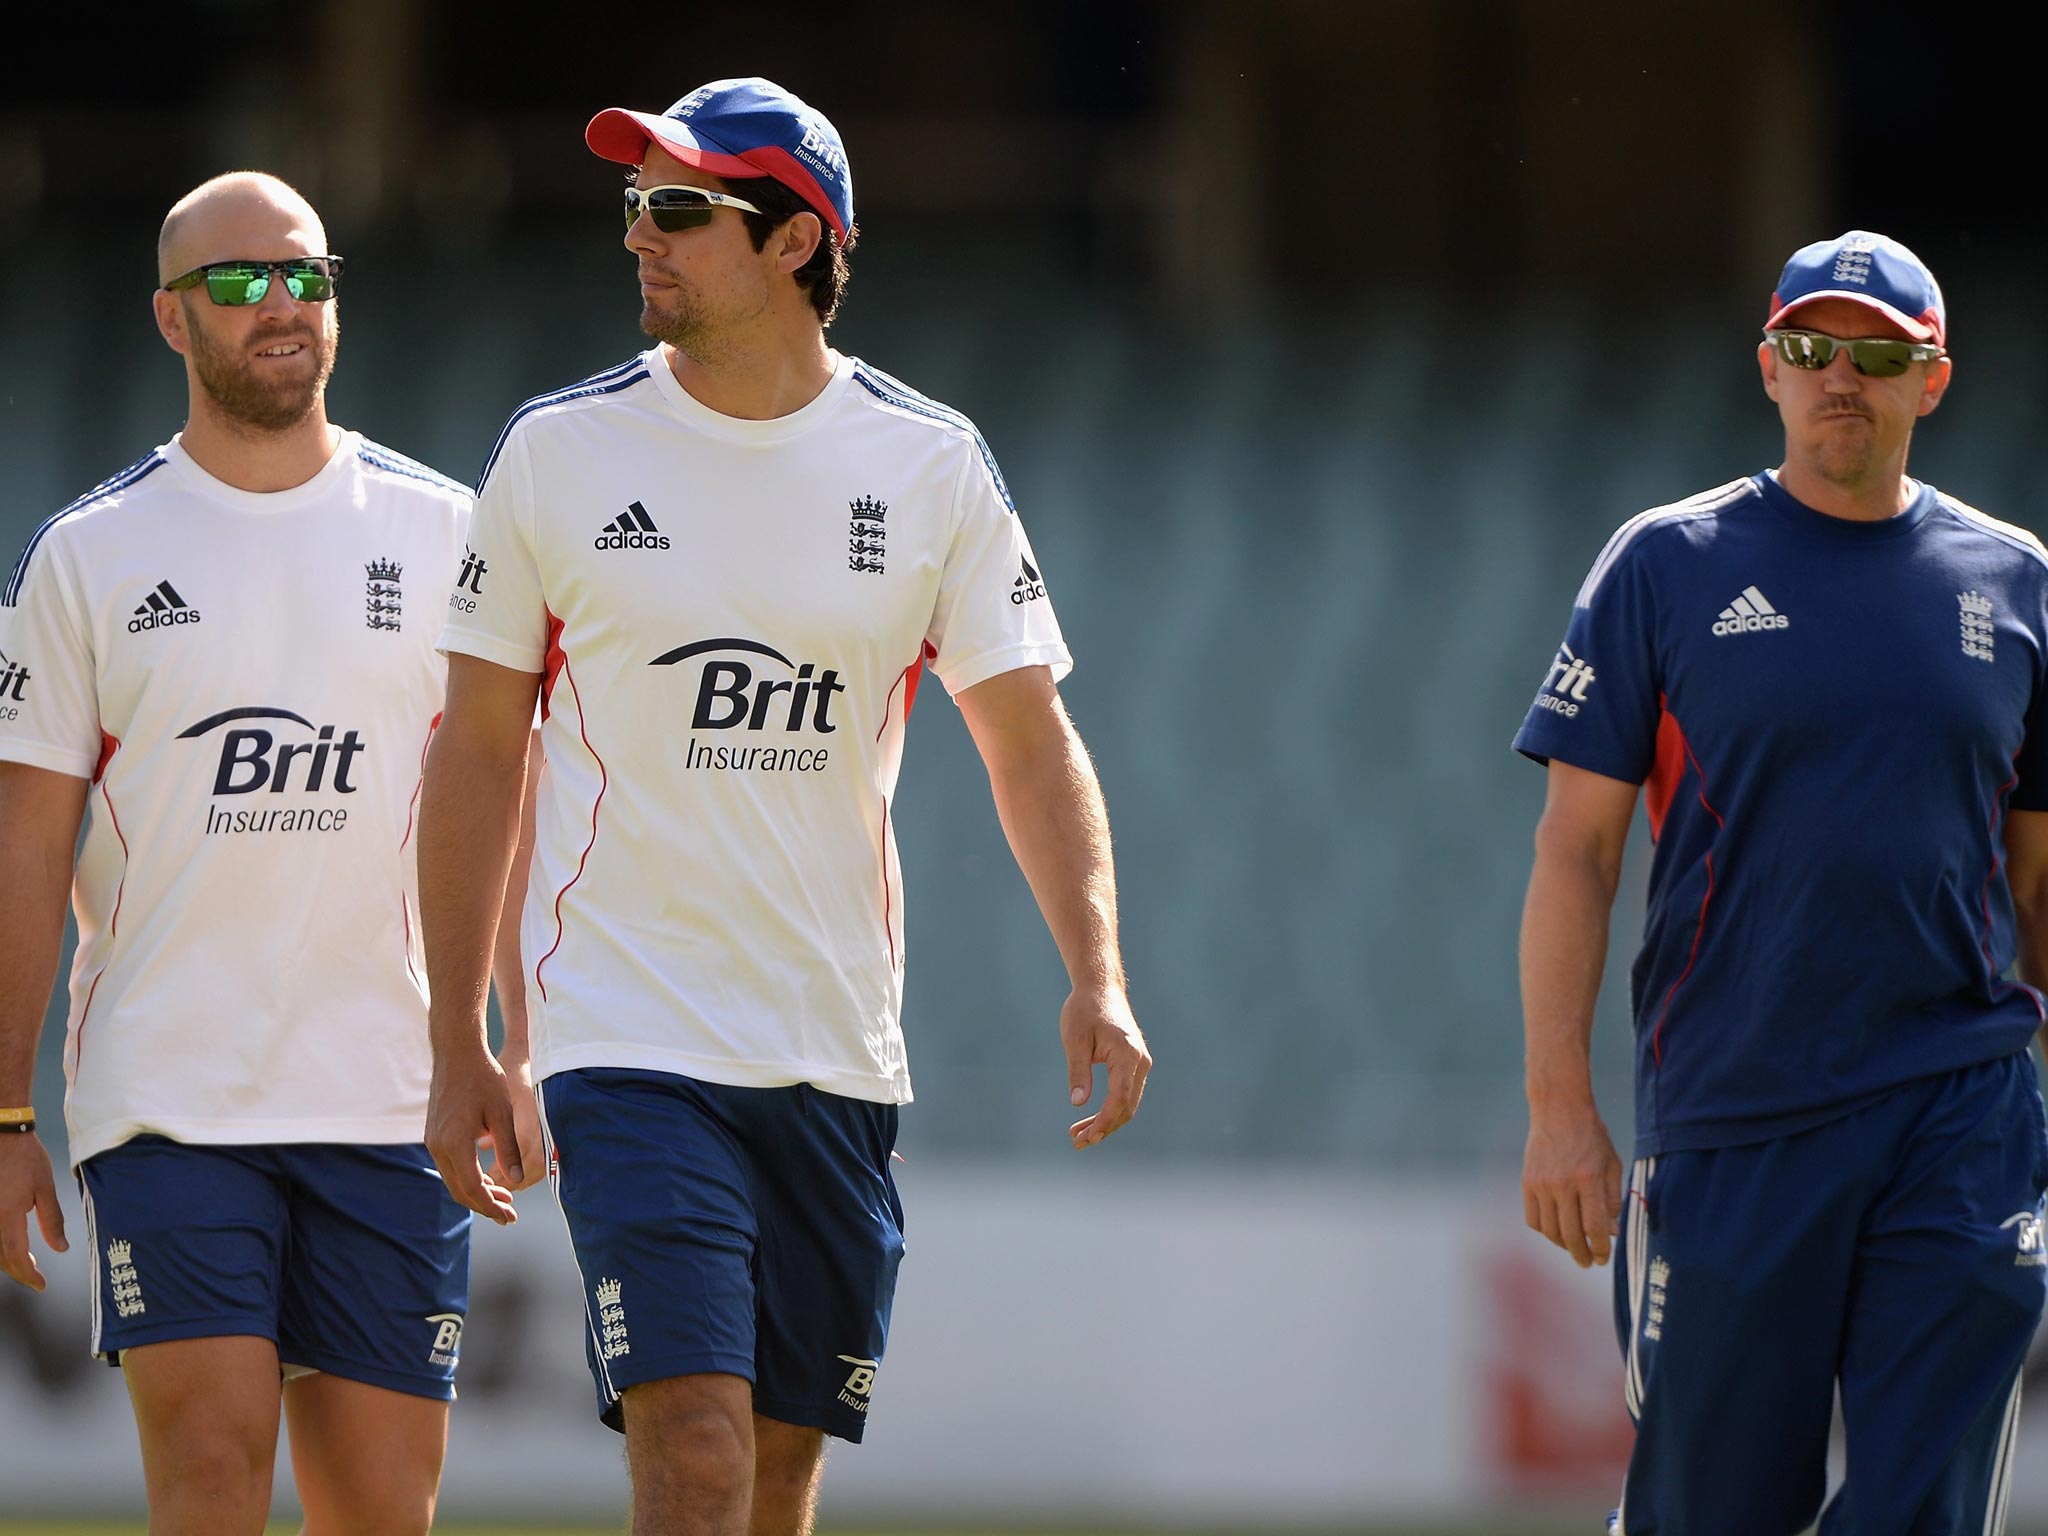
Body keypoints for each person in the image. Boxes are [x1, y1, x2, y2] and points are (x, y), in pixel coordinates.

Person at [417, 76, 1152, 1536]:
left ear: (798, 240)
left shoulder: (931, 464)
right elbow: (478, 750)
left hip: (834, 1048)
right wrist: (461, 1038)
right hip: (625, 1039)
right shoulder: (556, 454)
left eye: (679, 209)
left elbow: (1026, 735)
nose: (641, 235)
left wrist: (1099, 970)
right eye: (635, 204)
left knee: (774, 1479)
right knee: (693, 1448)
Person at [0, 171, 537, 1536]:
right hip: (170, 1097)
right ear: (173, 322)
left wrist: (511, 1045)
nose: (281, 302)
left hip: (390, 1109)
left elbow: (513, 805)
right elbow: (25, 846)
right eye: (238, 283)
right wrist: (5, 1115)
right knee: (215, 1468)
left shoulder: (445, 535)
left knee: (376, 1510)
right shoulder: (89, 556)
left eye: (307, 273)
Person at [1514, 229, 2048, 1534]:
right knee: (1713, 1511)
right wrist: (1559, 1106)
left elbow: (2036, 883)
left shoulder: (2018, 582)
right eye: (1812, 349)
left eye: (1878, 355)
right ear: (1769, 367)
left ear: (1933, 380)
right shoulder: (1665, 566)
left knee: (1924, 1510)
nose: (1840, 378)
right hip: (1736, 1112)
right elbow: (1575, 855)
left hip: (1961, 1112)